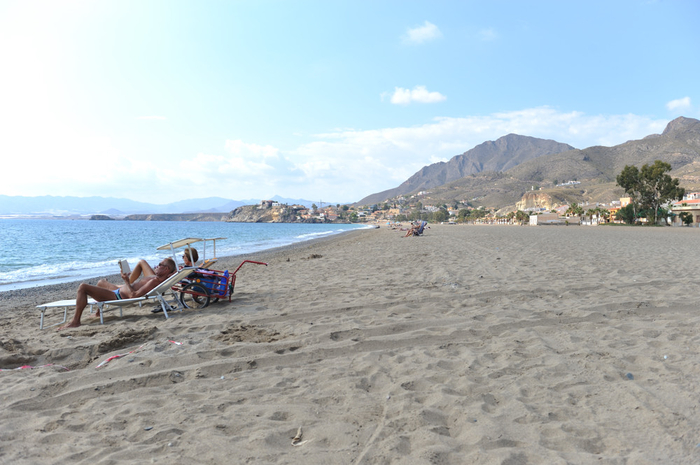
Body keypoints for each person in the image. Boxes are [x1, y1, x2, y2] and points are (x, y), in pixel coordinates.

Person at [57, 258, 177, 330]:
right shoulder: (161, 277)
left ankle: (75, 321)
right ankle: (99, 312)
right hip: (119, 290)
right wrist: (174, 272)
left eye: (160, 265)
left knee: (83, 287)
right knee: (101, 282)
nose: (156, 266)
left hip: (117, 296)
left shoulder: (154, 281)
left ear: (166, 269)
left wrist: (126, 280)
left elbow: (133, 296)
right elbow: (170, 269)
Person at [128, 248, 198, 284]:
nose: (182, 258)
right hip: (159, 279)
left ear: (188, 258)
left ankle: (128, 283)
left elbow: (169, 276)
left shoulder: (185, 269)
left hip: (158, 280)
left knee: (142, 262)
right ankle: (129, 282)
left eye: (183, 256)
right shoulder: (192, 269)